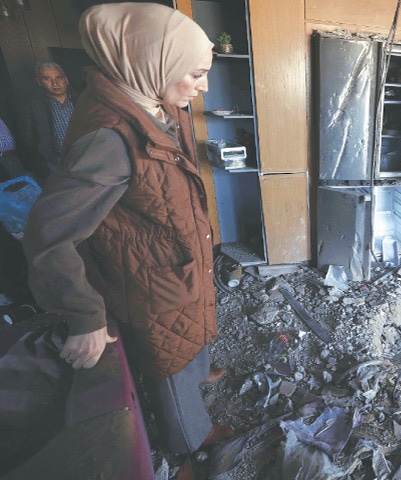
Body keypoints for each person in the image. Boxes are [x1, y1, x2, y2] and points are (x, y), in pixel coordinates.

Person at [22, 3, 229, 478]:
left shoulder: (147, 101)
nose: (204, 87)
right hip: (150, 280)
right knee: (169, 363)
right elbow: (49, 233)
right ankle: (189, 442)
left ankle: (197, 380)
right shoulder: (109, 137)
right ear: (152, 64)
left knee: (189, 340)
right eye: (196, 74)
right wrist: (83, 315)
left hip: (173, 261)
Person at [18, 61, 76, 179]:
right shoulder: (33, 106)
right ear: (39, 82)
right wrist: (42, 161)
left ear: (66, 80)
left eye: (58, 78)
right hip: (56, 162)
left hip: (87, 154)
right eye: (47, 79)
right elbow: (27, 139)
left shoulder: (81, 100)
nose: (55, 83)